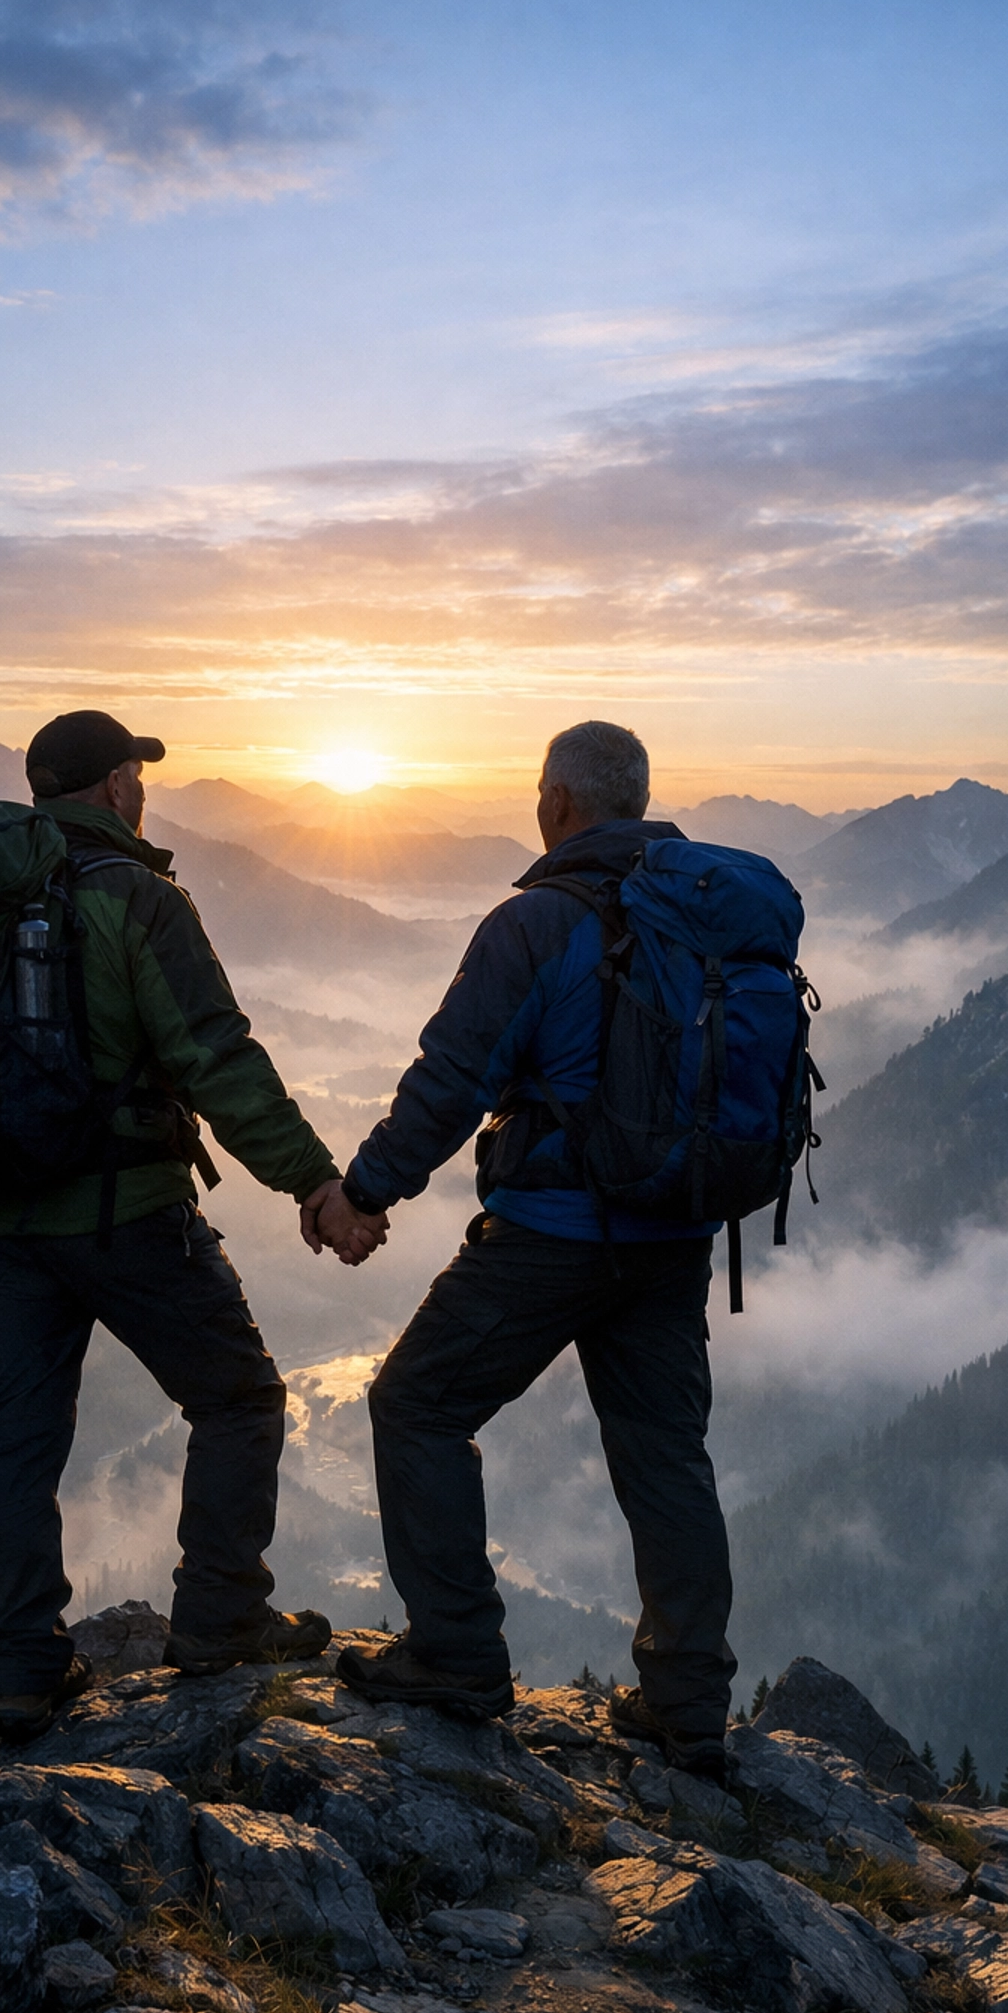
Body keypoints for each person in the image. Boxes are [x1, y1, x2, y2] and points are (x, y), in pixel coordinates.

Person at [306, 721, 735, 1781]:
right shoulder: (710, 913)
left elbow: (453, 1077)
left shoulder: (537, 922)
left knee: (416, 1404)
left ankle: (455, 1654)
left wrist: (363, 1194)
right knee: (666, 1458)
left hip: (553, 1233)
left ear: (556, 803)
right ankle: (688, 1707)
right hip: (677, 1232)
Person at [0, 707, 379, 1739]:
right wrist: (315, 1185)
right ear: (113, 787)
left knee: (18, 1438)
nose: (142, 789)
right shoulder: (135, 897)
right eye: (135, 774)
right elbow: (214, 1057)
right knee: (239, 1397)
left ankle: (18, 1672)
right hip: (127, 1214)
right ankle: (221, 1616)